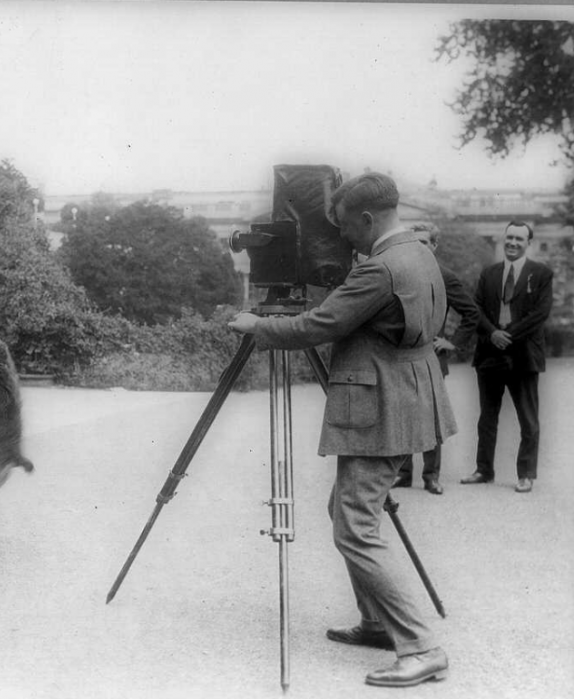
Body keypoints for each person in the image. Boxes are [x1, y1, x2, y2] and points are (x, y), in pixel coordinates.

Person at [228, 172, 454, 688]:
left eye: (347, 225)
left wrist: (257, 326)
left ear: (369, 219)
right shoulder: (419, 253)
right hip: (407, 397)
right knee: (347, 510)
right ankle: (377, 623)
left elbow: (318, 325)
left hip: (380, 405)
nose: (343, 236)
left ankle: (420, 645)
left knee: (354, 527)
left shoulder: (378, 269)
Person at [461, 220, 553, 493]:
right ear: (504, 240)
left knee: (528, 418)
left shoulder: (541, 274)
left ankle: (526, 474)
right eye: (509, 238)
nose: (513, 243)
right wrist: (492, 334)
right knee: (487, 417)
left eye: (519, 239)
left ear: (528, 244)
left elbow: (540, 314)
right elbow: (475, 308)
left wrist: (507, 335)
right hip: (490, 354)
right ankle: (483, 470)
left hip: (523, 355)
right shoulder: (489, 273)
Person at [394, 224, 480, 494]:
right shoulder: (400, 274)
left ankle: (431, 476)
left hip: (432, 357)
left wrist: (451, 343)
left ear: (434, 245)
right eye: (414, 242)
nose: (419, 247)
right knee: (403, 416)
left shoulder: (446, 276)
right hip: (403, 357)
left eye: (424, 242)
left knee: (431, 418)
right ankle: (404, 474)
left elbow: (472, 314)